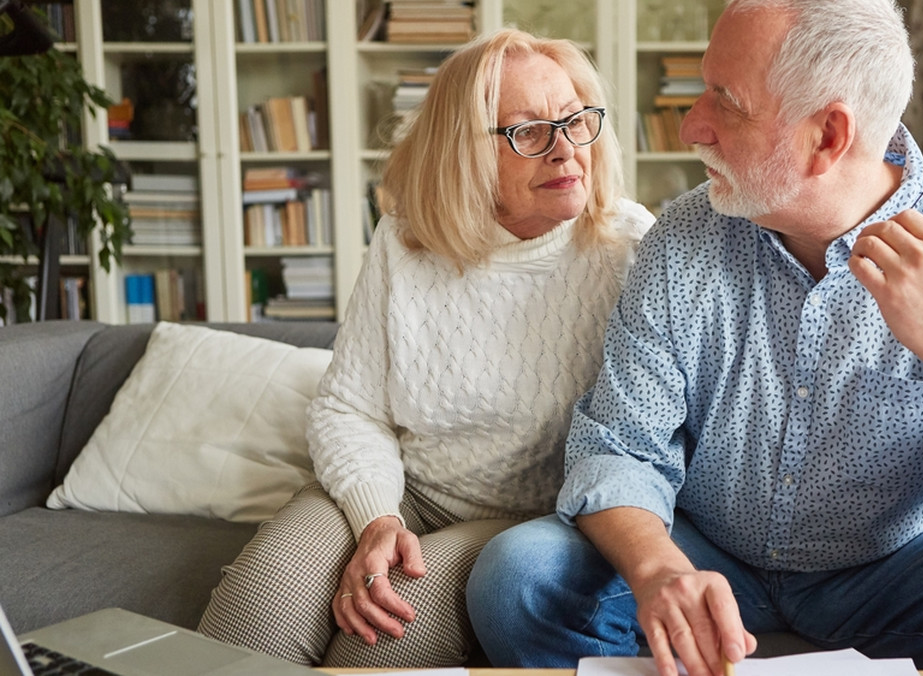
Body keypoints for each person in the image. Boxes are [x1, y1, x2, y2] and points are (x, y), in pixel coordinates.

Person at [465, 2, 923, 675]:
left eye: (725, 102)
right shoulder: (682, 240)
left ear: (828, 135)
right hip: (709, 552)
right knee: (519, 578)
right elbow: (618, 448)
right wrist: (659, 571)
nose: (692, 127)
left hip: (901, 566)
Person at [197, 28, 654, 668]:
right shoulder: (405, 238)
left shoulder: (632, 247)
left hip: (529, 523)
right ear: (463, 152)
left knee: (374, 639)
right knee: (257, 608)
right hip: (407, 490)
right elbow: (350, 408)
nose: (565, 150)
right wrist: (377, 520)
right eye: (528, 132)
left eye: (576, 120)